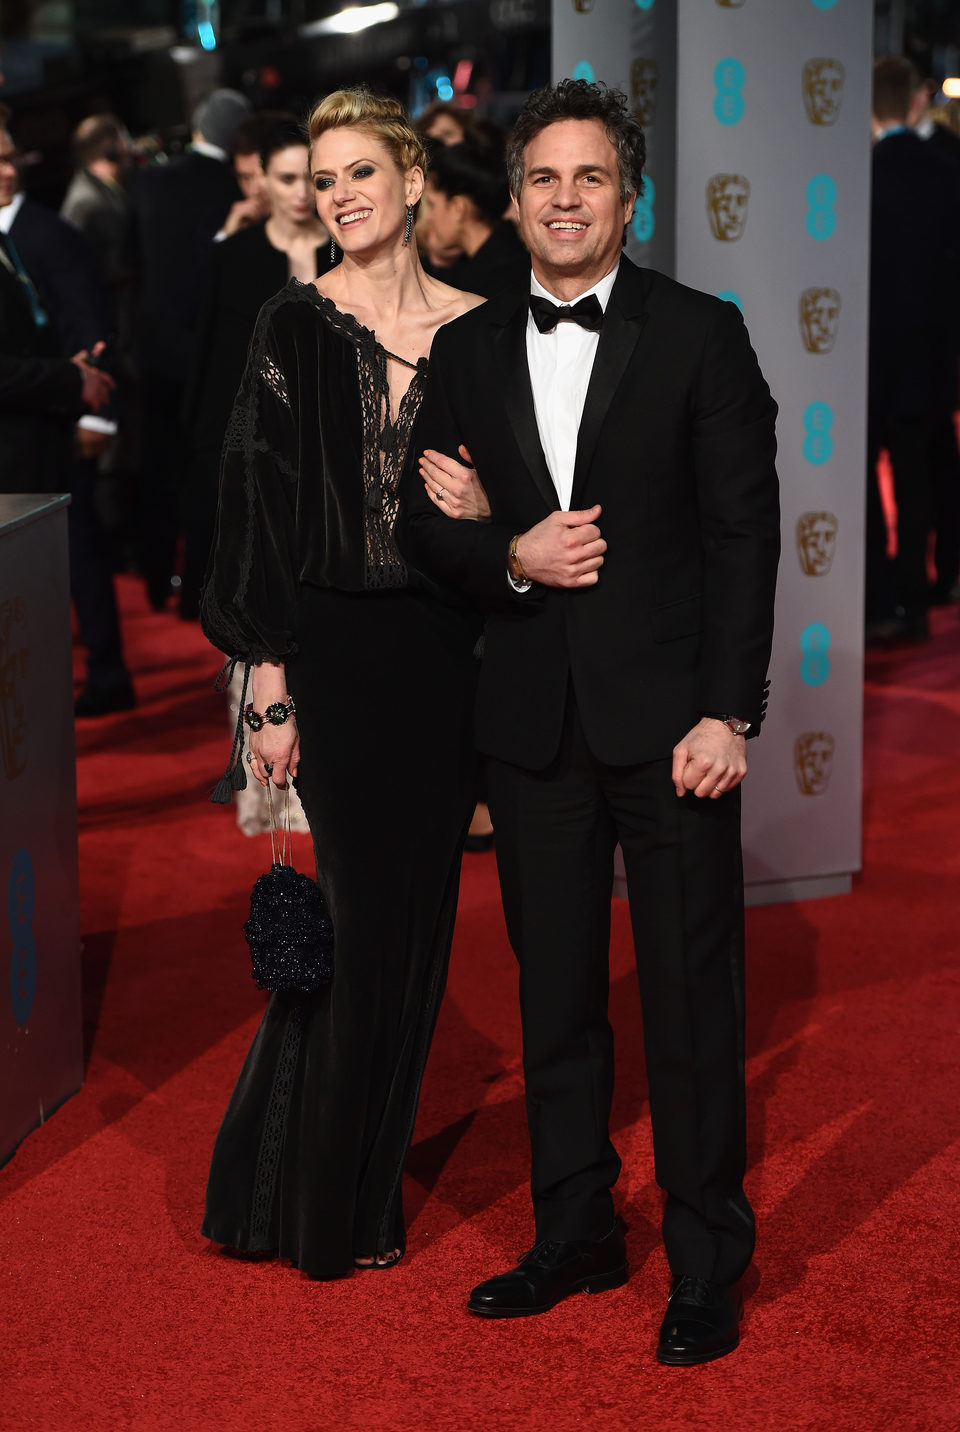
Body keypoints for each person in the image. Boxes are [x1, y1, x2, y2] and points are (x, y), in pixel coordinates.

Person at [397, 78, 780, 1365]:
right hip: (530, 723)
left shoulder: (702, 334)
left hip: (676, 724)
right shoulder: (463, 352)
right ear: (510, 205)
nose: (568, 200)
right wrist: (511, 555)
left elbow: (743, 533)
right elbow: (422, 529)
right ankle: (574, 1231)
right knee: (554, 998)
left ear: (632, 196)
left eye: (593, 178)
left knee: (689, 1003)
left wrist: (732, 707)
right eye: (545, 181)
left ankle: (706, 1259)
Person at [199, 87, 482, 1279]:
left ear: (415, 182)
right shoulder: (292, 326)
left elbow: (542, 487)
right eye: (324, 178)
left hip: (451, 654)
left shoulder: (485, 327)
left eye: (363, 171)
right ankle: (325, 1205)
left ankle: (352, 1178)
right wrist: (267, 688)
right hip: (336, 656)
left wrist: (491, 506)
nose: (342, 194)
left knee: (420, 931)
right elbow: (255, 507)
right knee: (363, 929)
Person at [181, 113, 334, 620]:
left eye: (310, 179)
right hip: (253, 446)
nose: (299, 193)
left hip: (332, 440)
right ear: (261, 178)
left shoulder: (347, 252)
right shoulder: (233, 259)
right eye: (286, 178)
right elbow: (211, 360)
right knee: (254, 590)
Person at [129, 87, 252, 609]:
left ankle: (155, 579)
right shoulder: (234, 189)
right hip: (213, 353)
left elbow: (130, 269)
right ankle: (198, 589)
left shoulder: (148, 182)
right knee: (210, 473)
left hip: (153, 350)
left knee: (156, 469)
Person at [867, 58, 960, 640]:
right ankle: (926, 593)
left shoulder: (858, 175)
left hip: (870, 358)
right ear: (912, 101)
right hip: (930, 356)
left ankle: (881, 598)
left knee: (870, 477)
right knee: (923, 474)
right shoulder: (947, 172)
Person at [424, 133, 529, 300]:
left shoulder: (490, 284)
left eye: (432, 204)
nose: (429, 217)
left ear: (458, 208)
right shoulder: (506, 258)